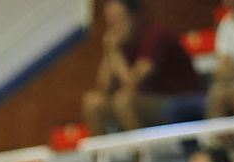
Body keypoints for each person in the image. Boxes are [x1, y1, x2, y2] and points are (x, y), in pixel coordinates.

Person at [83, 0, 205, 134]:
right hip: (145, 100)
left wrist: (114, 51)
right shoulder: (119, 42)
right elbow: (104, 88)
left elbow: (131, 83)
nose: (116, 28)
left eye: (120, 19)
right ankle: (102, 154)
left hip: (176, 97)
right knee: (92, 102)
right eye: (111, 22)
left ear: (135, 17)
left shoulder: (155, 35)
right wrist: (110, 52)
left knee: (124, 101)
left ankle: (140, 153)